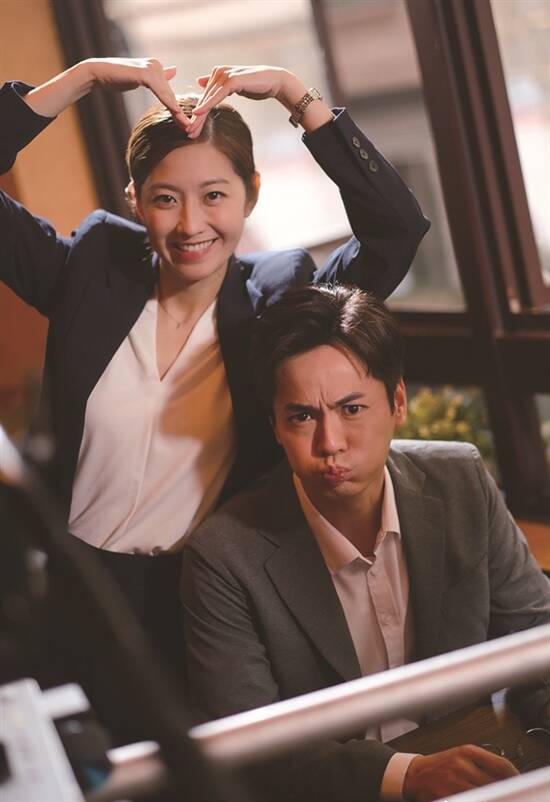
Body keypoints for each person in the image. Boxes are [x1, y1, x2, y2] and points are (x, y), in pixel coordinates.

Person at [0, 60, 429, 677]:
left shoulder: (279, 301)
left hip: (204, 600)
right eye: (165, 199)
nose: (191, 224)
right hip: (71, 592)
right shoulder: (92, 270)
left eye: (214, 196)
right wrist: (83, 79)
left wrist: (294, 93)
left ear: (251, 192)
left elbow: (396, 230)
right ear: (135, 199)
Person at [182, 284, 550, 802]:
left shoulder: (461, 479)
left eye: (351, 408)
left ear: (397, 402)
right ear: (275, 426)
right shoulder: (223, 555)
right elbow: (247, 747)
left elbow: (537, 641)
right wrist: (407, 775)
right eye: (302, 416)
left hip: (477, 772)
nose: (330, 443)